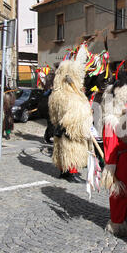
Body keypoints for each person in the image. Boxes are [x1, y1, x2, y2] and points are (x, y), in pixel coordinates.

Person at [100, 69, 127, 238]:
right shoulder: (111, 121)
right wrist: (110, 167)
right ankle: (117, 222)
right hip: (117, 159)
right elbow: (109, 145)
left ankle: (126, 218)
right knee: (118, 193)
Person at [49, 43, 92, 183]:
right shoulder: (71, 96)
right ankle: (71, 172)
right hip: (68, 130)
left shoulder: (56, 94)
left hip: (59, 129)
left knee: (61, 150)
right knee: (71, 150)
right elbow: (76, 115)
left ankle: (64, 171)